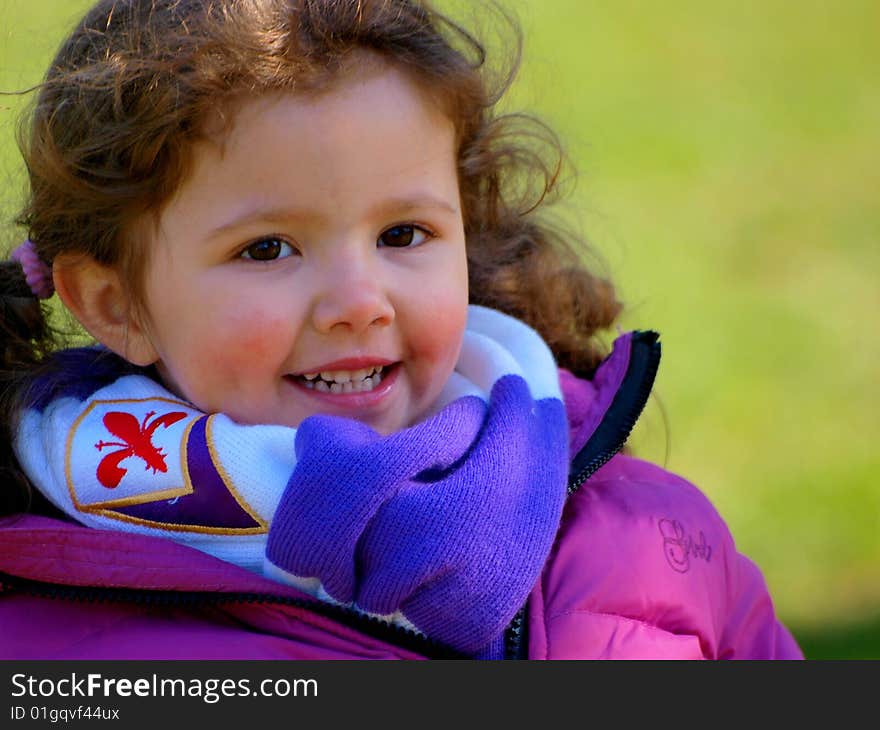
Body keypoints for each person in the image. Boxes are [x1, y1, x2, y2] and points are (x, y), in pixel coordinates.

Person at [0, 0, 802, 660]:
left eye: (402, 235)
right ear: (116, 306)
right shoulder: (53, 629)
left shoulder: (639, 527)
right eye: (268, 249)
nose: (360, 300)